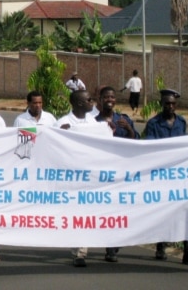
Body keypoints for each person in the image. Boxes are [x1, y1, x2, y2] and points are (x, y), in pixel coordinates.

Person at [55, 90, 112, 267]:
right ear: (79, 103)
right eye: (89, 100)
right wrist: (61, 135)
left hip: (91, 176)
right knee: (76, 213)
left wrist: (108, 131)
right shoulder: (63, 123)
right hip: (72, 177)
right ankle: (79, 252)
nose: (92, 102)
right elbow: (53, 148)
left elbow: (106, 144)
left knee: (87, 213)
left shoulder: (95, 123)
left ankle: (83, 248)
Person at [144, 89, 188, 263]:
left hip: (179, 173)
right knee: (163, 210)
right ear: (161, 104)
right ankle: (161, 246)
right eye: (167, 103)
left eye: (172, 103)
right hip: (161, 173)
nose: (170, 106)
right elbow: (150, 147)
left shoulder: (181, 122)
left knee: (185, 208)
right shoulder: (153, 123)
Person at [94, 86, 140, 262]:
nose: (110, 100)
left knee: (120, 210)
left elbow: (135, 143)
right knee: (106, 210)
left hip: (122, 172)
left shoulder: (124, 120)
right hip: (103, 173)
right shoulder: (93, 122)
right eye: (106, 97)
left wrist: (128, 129)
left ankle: (114, 243)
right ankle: (109, 246)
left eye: (112, 97)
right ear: (100, 99)